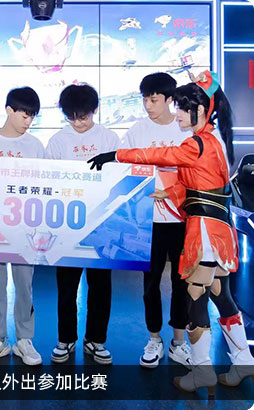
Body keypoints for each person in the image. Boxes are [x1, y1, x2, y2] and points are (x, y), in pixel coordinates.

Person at [88, 70, 254, 395]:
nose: (177, 114)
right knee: (221, 294)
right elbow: (202, 185)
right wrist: (172, 192)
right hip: (217, 230)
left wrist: (114, 155)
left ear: (200, 110)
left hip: (204, 232)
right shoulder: (213, 141)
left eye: (182, 108)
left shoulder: (196, 143)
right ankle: (243, 362)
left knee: (196, 297)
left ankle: (203, 371)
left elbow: (161, 156)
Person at [45, 84, 120, 364]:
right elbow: (46, 180)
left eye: (83, 117)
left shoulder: (109, 138)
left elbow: (120, 178)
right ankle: (65, 339)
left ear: (95, 110)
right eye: (71, 117)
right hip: (67, 226)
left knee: (101, 286)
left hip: (102, 225)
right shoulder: (57, 141)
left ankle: (96, 340)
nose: (77, 123)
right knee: (66, 286)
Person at [122, 73, 192, 369]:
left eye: (154, 100)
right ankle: (154, 339)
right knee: (150, 283)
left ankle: (179, 341)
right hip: (146, 221)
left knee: (181, 280)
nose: (148, 106)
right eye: (145, 100)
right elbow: (123, 168)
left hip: (180, 218)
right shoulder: (137, 130)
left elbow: (194, 173)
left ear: (170, 100)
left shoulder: (185, 129)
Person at [0, 87, 45, 366]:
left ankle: (25, 339)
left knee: (25, 284)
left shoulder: (35, 145)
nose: (28, 122)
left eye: (32, 117)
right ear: (9, 110)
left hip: (26, 225)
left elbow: (46, 184)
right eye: (24, 115)